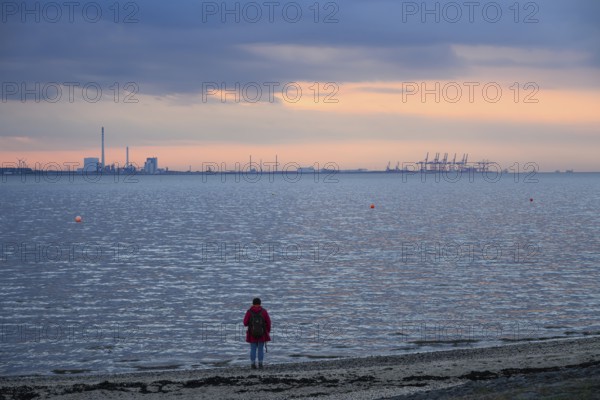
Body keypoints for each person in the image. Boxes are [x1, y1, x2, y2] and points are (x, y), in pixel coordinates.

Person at [243, 297, 271, 369]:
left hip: (252, 334)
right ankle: (260, 364)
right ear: (260, 303)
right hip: (262, 334)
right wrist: (267, 331)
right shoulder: (264, 311)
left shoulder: (249, 311)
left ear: (253, 304)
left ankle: (253, 364)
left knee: (253, 349)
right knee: (261, 349)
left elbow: (245, 323)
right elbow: (268, 322)